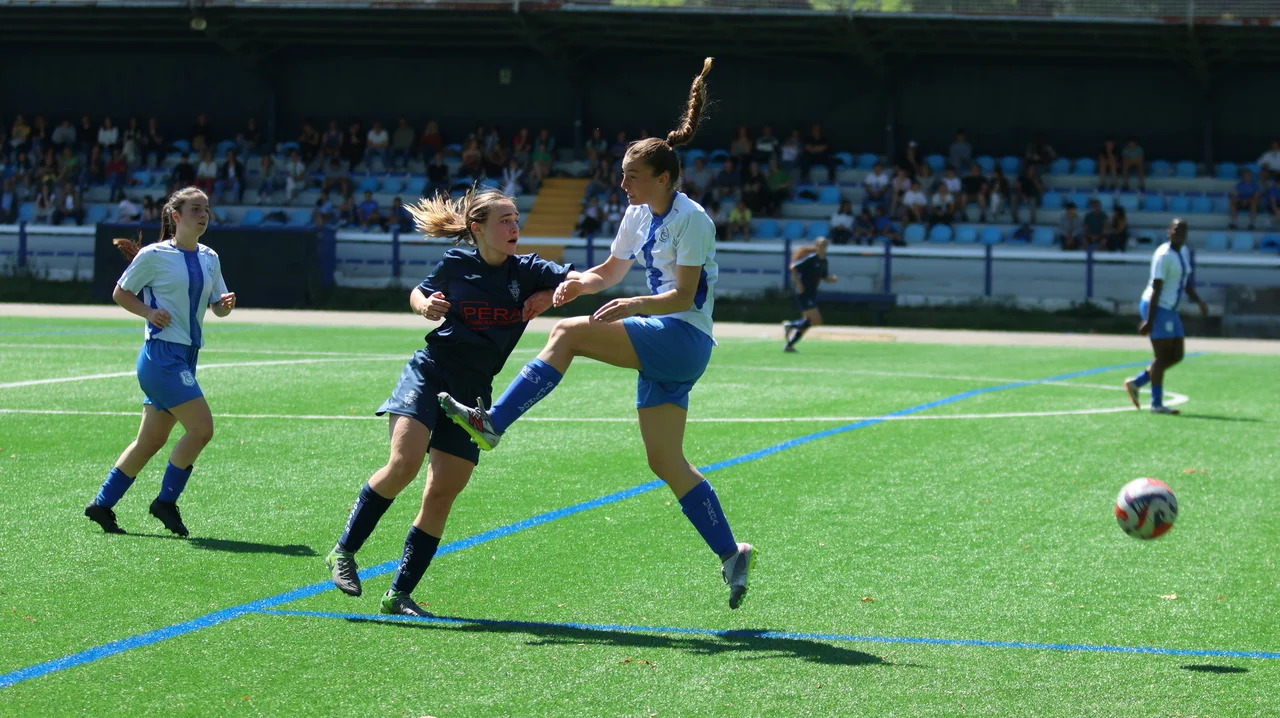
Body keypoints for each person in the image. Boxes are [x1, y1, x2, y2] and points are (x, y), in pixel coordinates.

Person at [437, 59, 756, 610]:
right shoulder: (638, 214)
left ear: (664, 178)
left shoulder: (693, 219)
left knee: (567, 336)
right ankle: (732, 552)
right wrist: (573, 284)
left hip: (682, 336)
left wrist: (629, 304)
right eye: (623, 173)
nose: (623, 182)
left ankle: (493, 424)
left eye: (633, 176)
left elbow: (683, 297)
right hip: (667, 342)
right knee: (665, 462)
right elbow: (608, 272)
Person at [323, 187, 567, 616]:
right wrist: (425, 306)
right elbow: (419, 292)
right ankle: (343, 551)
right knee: (404, 464)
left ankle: (398, 595)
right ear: (478, 229)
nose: (514, 227)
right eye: (504, 220)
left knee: (441, 494)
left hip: (474, 392)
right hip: (430, 373)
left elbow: (578, 279)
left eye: (515, 219)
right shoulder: (456, 262)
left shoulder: (529, 270)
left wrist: (551, 295)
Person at [83, 187, 236, 535]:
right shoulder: (154, 255)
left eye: (206, 209)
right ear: (176, 216)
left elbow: (217, 307)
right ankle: (165, 502)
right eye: (195, 209)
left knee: (150, 441)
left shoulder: (210, 257)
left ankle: (102, 505)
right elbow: (121, 292)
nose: (203, 215)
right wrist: (149, 312)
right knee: (202, 429)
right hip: (162, 357)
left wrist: (223, 306)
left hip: (186, 356)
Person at [1124, 219, 1207, 415]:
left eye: (1183, 230)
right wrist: (1150, 320)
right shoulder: (1163, 255)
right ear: (1168, 231)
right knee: (1161, 357)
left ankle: (1137, 382)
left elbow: (1184, 281)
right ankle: (1156, 404)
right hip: (1157, 307)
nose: (1179, 233)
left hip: (1169, 309)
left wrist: (1198, 301)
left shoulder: (1183, 251)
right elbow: (1156, 289)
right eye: (1176, 229)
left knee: (1176, 355)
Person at [783, 236, 837, 353]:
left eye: (824, 245)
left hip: (811, 293)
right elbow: (793, 267)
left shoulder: (824, 261)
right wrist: (799, 284)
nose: (822, 248)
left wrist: (830, 279)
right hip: (804, 293)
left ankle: (789, 345)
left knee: (807, 322)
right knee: (816, 320)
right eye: (820, 245)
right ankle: (790, 325)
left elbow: (824, 276)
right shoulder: (811, 258)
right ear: (816, 246)